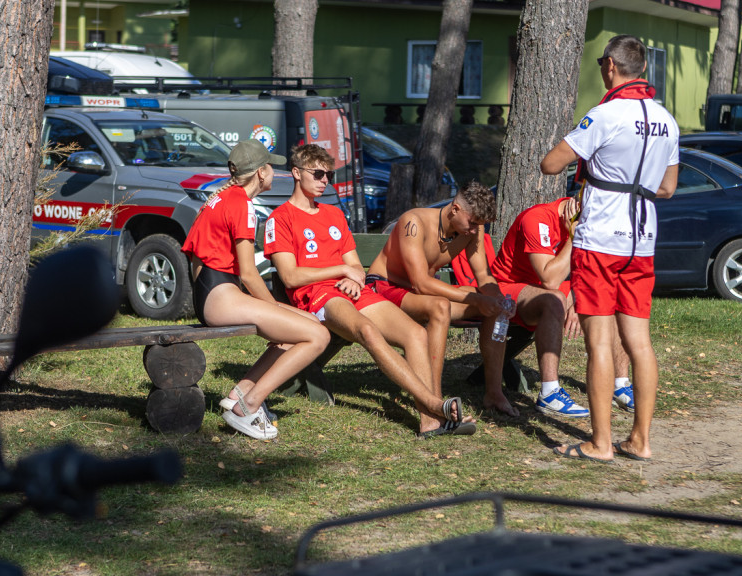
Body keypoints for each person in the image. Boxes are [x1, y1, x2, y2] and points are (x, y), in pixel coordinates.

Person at [265, 144, 475, 437]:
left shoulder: (334, 215)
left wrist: (355, 278)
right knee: (368, 331)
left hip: (351, 292)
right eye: (318, 173)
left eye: (329, 174)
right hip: (317, 296)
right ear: (297, 174)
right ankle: (431, 403)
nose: (325, 179)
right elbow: (289, 276)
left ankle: (429, 421)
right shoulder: (281, 218)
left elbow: (354, 266)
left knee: (416, 334)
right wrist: (341, 271)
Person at [540, 34, 679, 462]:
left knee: (599, 343)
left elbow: (550, 163)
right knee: (639, 342)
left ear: (612, 68)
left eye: (603, 63)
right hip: (643, 238)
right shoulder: (667, 120)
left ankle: (600, 443)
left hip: (601, 237)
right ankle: (640, 439)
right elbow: (668, 187)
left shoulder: (604, 114)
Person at [181, 139, 331, 440]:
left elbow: (201, 262)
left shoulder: (224, 198)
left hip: (215, 294)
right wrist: (274, 307)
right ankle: (248, 406)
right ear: (261, 173)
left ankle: (240, 393)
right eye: (271, 168)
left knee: (309, 323)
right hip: (221, 298)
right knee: (318, 335)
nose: (274, 173)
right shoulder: (242, 205)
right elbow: (249, 274)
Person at [366, 182, 519, 416]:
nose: (474, 230)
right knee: (440, 306)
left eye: (479, 225)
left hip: (420, 295)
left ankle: (494, 393)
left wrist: (499, 300)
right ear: (455, 209)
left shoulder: (471, 230)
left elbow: (483, 276)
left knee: (493, 308)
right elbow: (420, 282)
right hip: (385, 287)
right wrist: (474, 299)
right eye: (472, 222)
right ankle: (434, 398)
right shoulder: (413, 222)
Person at [485, 196, 635, 417]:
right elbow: (550, 279)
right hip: (507, 289)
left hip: (550, 288)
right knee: (553, 298)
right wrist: (573, 238)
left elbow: (597, 273)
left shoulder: (590, 221)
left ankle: (620, 385)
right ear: (577, 205)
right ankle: (549, 392)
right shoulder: (537, 219)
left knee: (610, 294)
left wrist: (576, 295)